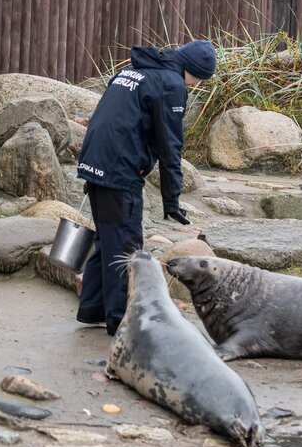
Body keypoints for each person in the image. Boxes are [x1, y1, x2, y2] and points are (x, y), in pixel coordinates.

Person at [75, 39, 217, 336]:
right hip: (118, 170)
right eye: (200, 78)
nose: (196, 84)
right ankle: (122, 322)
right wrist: (172, 199)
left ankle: (94, 308)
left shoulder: (134, 70)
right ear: (193, 71)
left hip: (95, 162)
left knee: (107, 240)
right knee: (126, 248)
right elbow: (170, 146)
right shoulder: (170, 84)